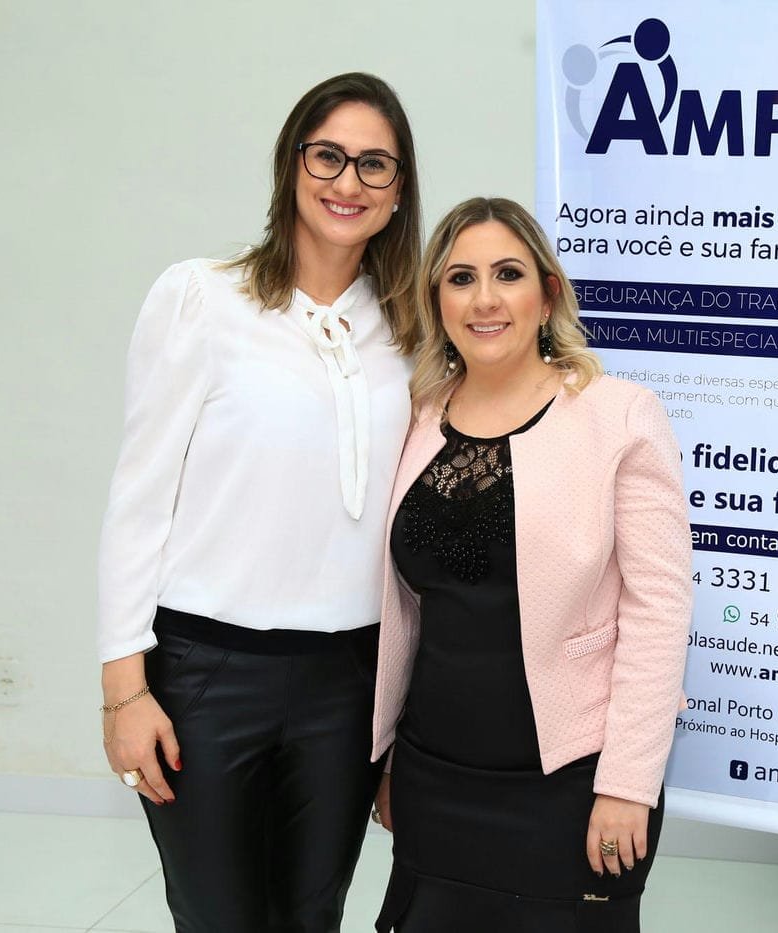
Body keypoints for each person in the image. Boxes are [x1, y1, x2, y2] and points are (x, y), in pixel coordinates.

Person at [96, 72, 421, 932]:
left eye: (375, 165)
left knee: (311, 915)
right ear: (291, 165)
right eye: (328, 156)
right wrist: (124, 689)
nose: (349, 181)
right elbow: (138, 498)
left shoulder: (412, 330)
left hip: (349, 682)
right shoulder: (203, 298)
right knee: (218, 916)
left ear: (398, 192)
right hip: (207, 672)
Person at [369, 197, 693, 932]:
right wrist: (389, 759)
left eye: (508, 274)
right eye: (461, 278)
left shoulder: (619, 414)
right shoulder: (416, 417)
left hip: (571, 782)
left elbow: (659, 608)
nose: (484, 299)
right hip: (433, 776)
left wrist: (628, 783)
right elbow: (409, 613)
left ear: (546, 295)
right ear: (437, 300)